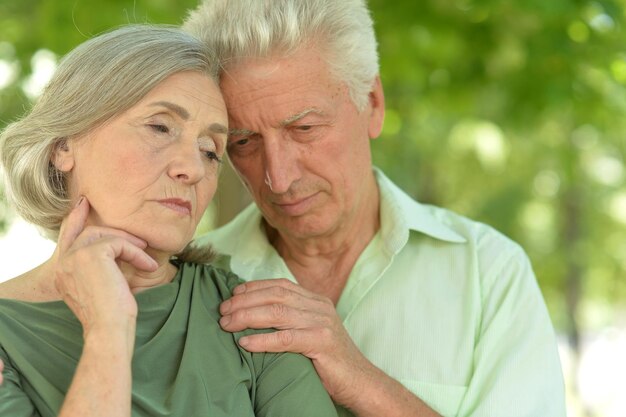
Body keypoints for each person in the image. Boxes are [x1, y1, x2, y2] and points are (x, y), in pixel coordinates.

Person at [182, 1, 567, 416]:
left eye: (304, 129)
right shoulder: (188, 279)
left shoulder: (489, 273)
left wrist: (360, 379)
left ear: (374, 103)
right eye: (244, 143)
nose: (279, 177)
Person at [0, 24, 338, 417]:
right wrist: (109, 329)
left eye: (211, 151)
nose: (192, 168)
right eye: (160, 127)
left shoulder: (252, 316)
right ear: (63, 147)